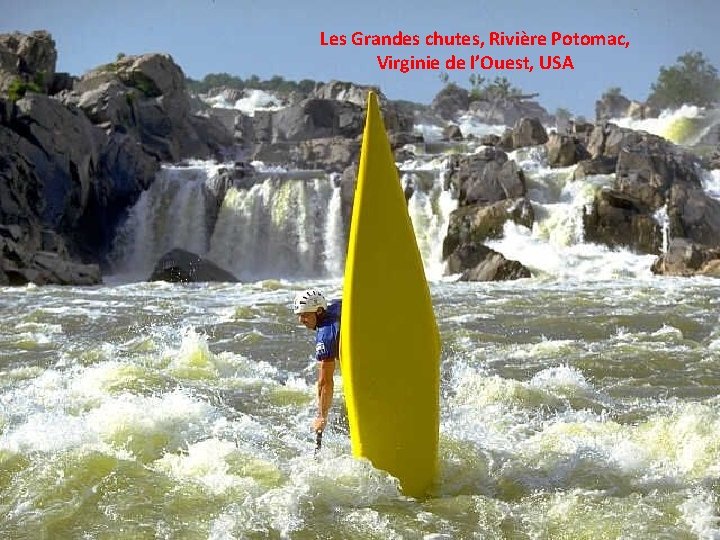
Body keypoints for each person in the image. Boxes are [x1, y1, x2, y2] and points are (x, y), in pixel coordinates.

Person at [293, 288, 341, 434]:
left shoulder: (325, 335)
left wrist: (321, 417)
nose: (301, 321)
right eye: (299, 315)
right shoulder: (338, 305)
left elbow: (325, 381)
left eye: (305, 315)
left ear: (319, 311)